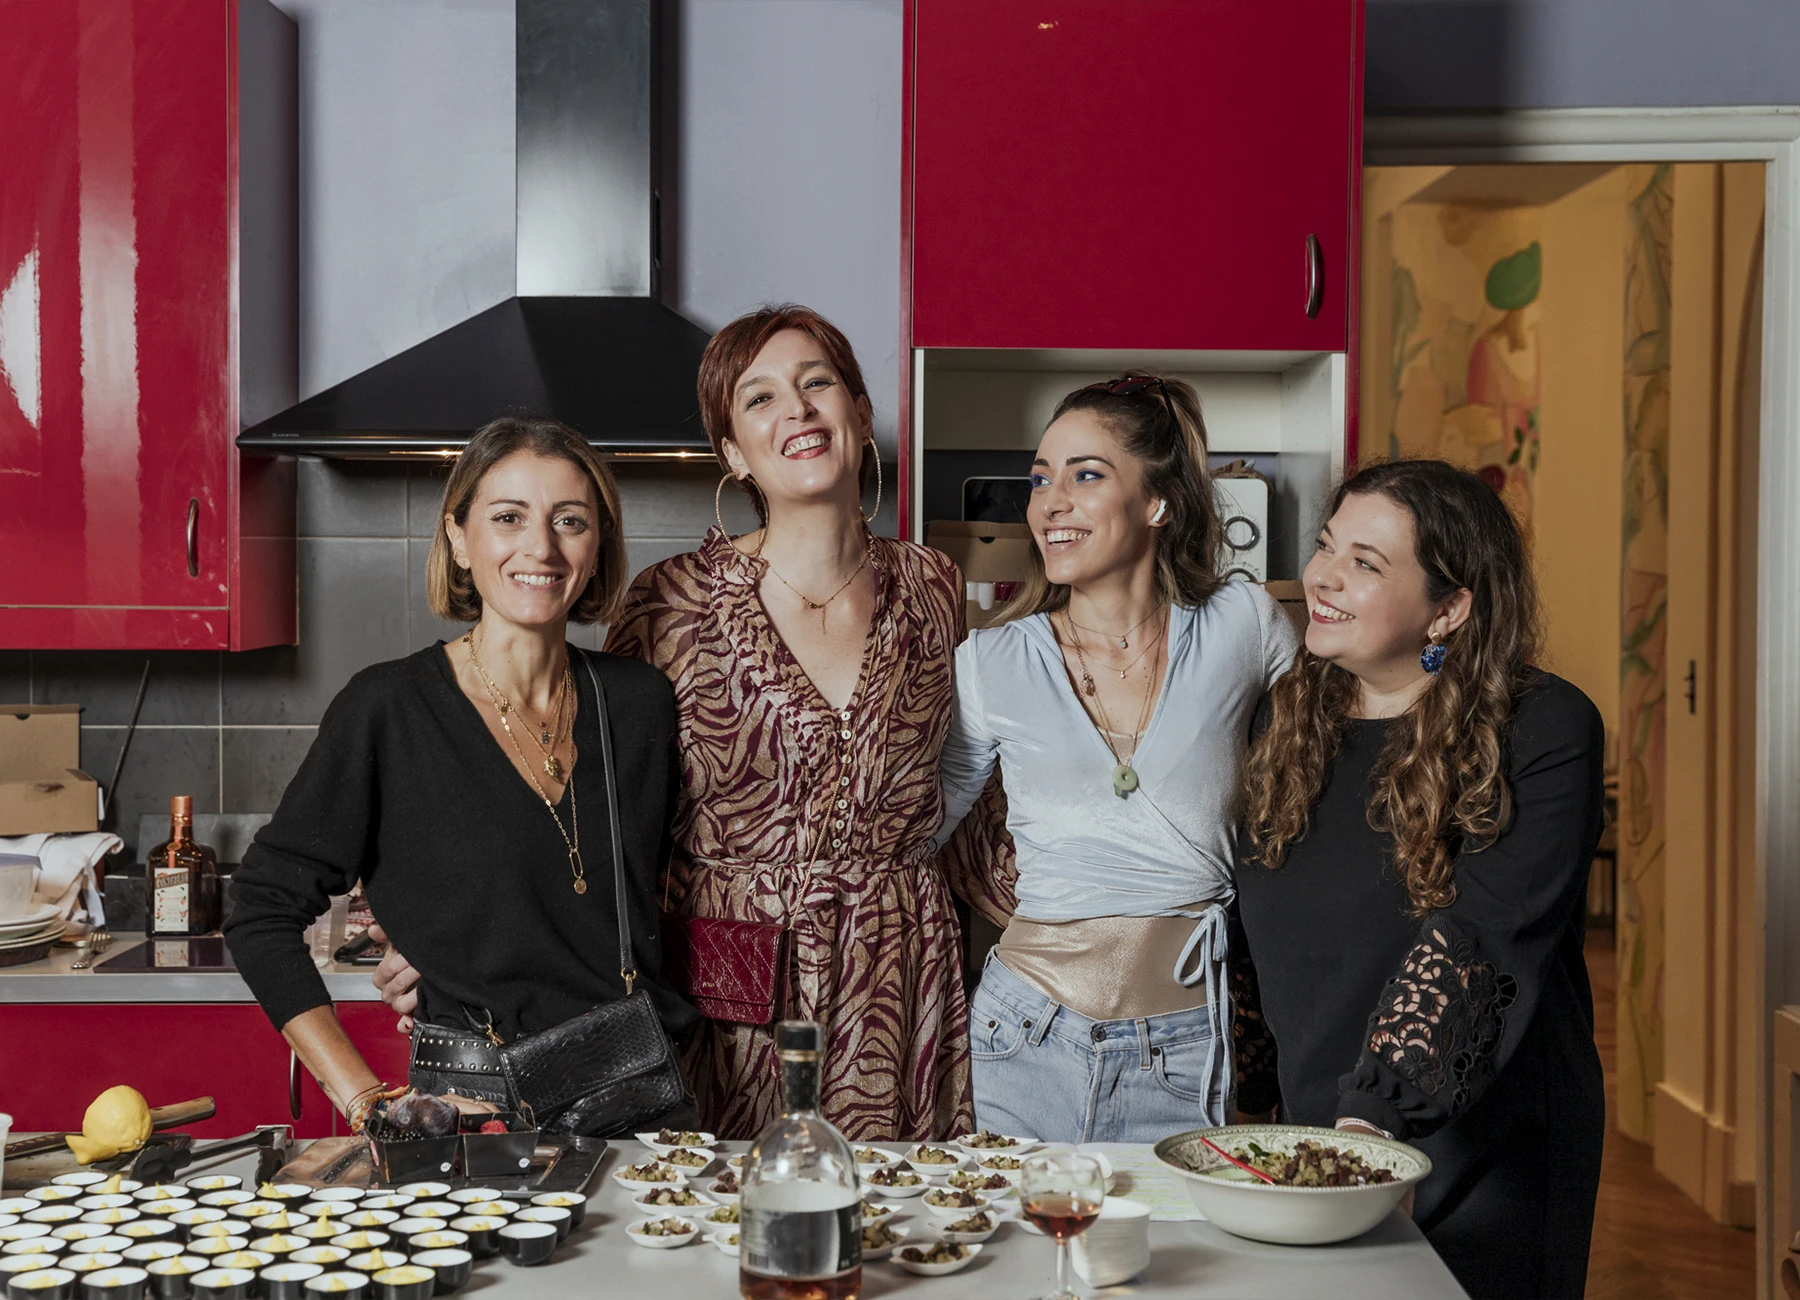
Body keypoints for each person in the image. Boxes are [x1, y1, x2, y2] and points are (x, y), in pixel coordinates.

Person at [377, 306, 985, 1141]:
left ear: (859, 412)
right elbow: (580, 801)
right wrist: (462, 936)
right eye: (760, 398)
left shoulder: (935, 586)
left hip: (900, 972)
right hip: (732, 996)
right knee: (720, 1232)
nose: (798, 411)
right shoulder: (672, 603)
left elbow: (970, 787)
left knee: (900, 1240)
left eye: (818, 385)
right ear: (733, 451)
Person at [224, 417, 697, 1133]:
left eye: (570, 521)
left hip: (638, 1105)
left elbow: (629, 905)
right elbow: (259, 909)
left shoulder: (639, 702)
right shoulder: (387, 708)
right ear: (458, 538)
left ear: (598, 545)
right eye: (508, 518)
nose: (540, 547)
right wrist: (364, 1099)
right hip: (468, 1120)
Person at [1234, 459, 1605, 1299]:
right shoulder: (1284, 719)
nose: (1324, 575)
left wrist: (1375, 1128)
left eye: (1366, 563)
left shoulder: (1544, 729)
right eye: (1328, 546)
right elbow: (1256, 944)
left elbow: (1478, 939)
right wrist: (1256, 1106)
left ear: (1450, 606)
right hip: (1320, 1141)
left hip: (1482, 1152)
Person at [934, 374, 1298, 1143]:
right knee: (1023, 1259)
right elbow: (917, 829)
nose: (1049, 502)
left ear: (1158, 502)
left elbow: (1332, 764)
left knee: (1165, 1263)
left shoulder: (1244, 624)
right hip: (1019, 1033)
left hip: (1184, 1046)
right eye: (1040, 479)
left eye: (1085, 475)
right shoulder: (992, 659)